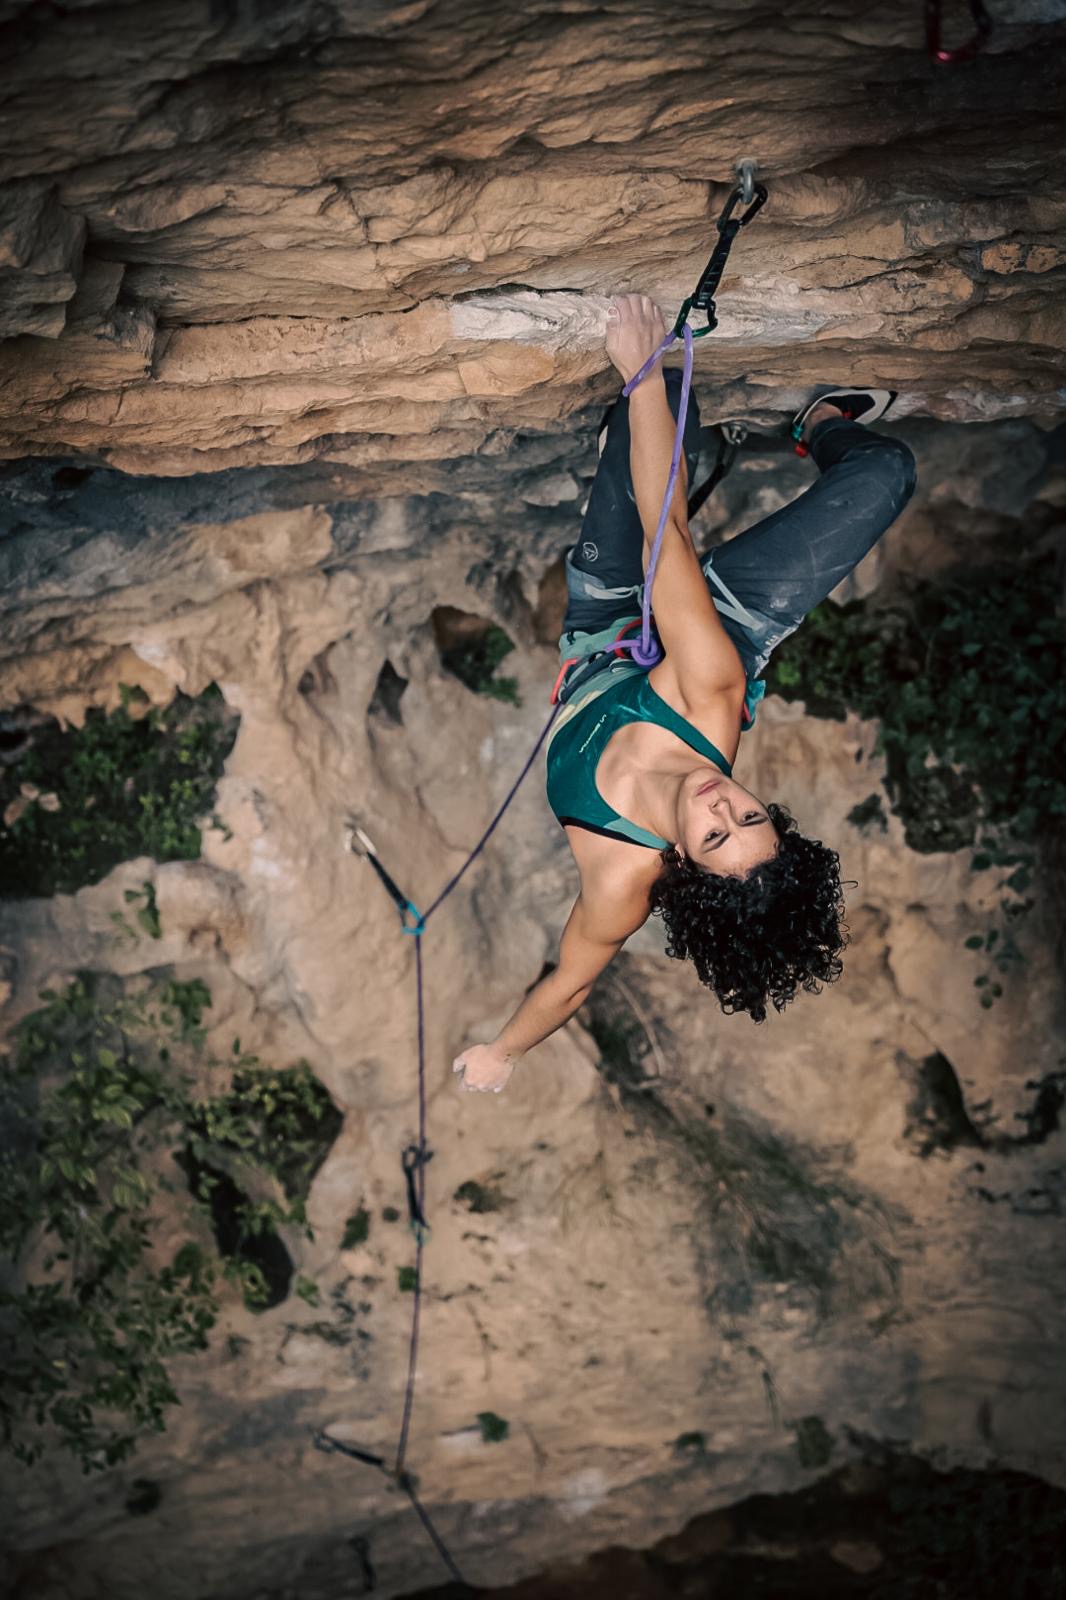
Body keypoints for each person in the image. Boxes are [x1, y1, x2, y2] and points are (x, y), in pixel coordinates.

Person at [454, 294, 916, 1093]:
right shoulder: (711, 703)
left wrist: (503, 1054)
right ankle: (821, 425)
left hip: (607, 629)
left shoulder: (619, 882)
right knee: (887, 471)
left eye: (713, 836)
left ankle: (671, 441)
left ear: (677, 869)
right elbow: (668, 531)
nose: (719, 801)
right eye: (750, 815)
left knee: (668, 411)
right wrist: (636, 373)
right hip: (725, 629)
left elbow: (570, 982)